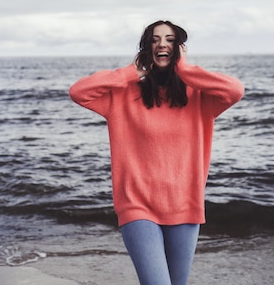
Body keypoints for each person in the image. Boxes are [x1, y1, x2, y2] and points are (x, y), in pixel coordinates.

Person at [69, 20, 244, 285]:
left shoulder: (200, 97)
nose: (162, 44)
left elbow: (234, 90)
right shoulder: (122, 94)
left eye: (170, 39)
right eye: (154, 39)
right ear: (145, 48)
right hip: (137, 205)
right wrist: (130, 72)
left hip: (184, 205)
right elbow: (79, 92)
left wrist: (185, 70)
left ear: (180, 48)